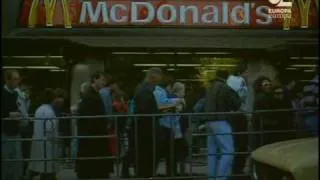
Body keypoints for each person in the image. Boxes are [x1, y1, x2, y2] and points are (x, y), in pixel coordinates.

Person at [205, 69, 241, 180]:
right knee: (228, 151)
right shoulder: (225, 87)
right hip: (220, 120)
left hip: (209, 121)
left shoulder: (210, 87)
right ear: (227, 77)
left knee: (212, 152)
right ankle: (221, 178)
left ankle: (212, 177)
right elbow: (236, 104)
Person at [76, 71, 113, 179]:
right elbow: (88, 118)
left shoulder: (94, 95)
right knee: (93, 168)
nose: (104, 83)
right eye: (102, 80)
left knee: (93, 168)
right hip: (93, 136)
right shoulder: (90, 97)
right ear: (95, 79)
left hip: (94, 136)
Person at [27, 88, 66, 180]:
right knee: (47, 168)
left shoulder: (39, 109)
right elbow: (49, 129)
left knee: (38, 165)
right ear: (52, 99)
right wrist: (57, 139)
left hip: (38, 141)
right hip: (47, 144)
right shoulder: (49, 111)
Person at [133, 67, 165, 178]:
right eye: (158, 80)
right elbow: (146, 108)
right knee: (148, 154)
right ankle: (146, 175)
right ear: (153, 78)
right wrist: (159, 111)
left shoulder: (143, 88)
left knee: (146, 154)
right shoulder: (145, 90)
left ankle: (146, 174)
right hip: (147, 126)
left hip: (146, 125)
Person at [154, 75, 183, 177]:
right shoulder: (159, 92)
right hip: (164, 126)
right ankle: (170, 173)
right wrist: (176, 102)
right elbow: (162, 105)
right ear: (168, 85)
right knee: (165, 153)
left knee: (167, 153)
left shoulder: (161, 92)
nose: (171, 90)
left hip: (166, 126)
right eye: (171, 87)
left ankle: (171, 173)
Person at [226, 63, 250, 179]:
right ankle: (238, 169)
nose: (247, 74)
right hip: (239, 115)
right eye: (246, 72)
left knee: (236, 143)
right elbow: (242, 98)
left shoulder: (229, 83)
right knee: (241, 143)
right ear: (240, 73)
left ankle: (235, 168)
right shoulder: (239, 82)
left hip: (233, 116)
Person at [1, 70, 24, 180]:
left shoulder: (16, 93)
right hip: (4, 132)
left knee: (17, 161)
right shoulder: (2, 93)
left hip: (16, 131)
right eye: (15, 79)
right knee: (5, 161)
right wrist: (10, 114)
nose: (18, 82)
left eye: (18, 79)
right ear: (7, 80)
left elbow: (21, 109)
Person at [171, 82, 189, 176]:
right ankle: (178, 170)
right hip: (177, 129)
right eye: (182, 90)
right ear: (176, 91)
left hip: (182, 127)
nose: (184, 92)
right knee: (181, 149)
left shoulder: (182, 100)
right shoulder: (175, 100)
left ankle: (181, 170)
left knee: (182, 149)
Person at [252, 76, 273, 147]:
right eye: (266, 85)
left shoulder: (258, 95)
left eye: (269, 85)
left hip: (259, 125)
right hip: (263, 125)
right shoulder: (263, 97)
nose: (268, 87)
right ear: (260, 86)